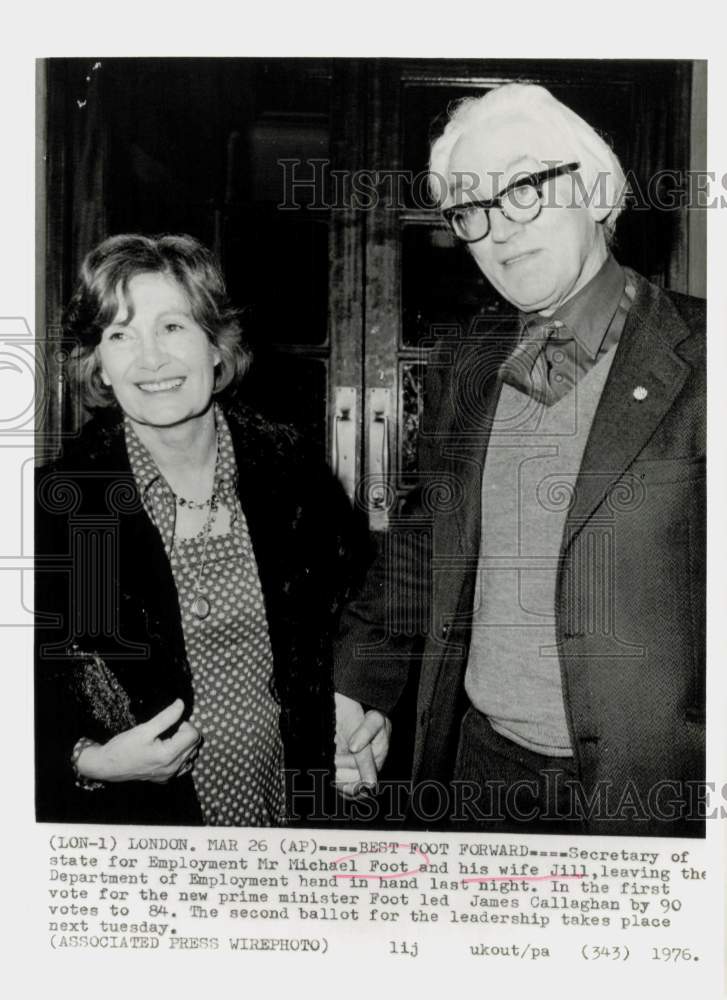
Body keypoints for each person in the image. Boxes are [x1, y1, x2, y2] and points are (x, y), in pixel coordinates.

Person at [333, 83, 706, 837]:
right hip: (479, 774)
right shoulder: (469, 362)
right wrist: (354, 687)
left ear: (597, 192)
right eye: (471, 211)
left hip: (651, 794)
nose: (499, 230)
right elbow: (421, 543)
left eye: (525, 189)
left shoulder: (707, 357)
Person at [36, 233, 354, 826]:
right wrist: (86, 760)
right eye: (120, 334)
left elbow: (361, 614)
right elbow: (30, 686)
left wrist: (361, 709)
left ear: (216, 345)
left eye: (173, 328)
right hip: (146, 834)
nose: (149, 358)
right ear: (99, 365)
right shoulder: (62, 506)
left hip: (293, 818)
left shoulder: (294, 477)